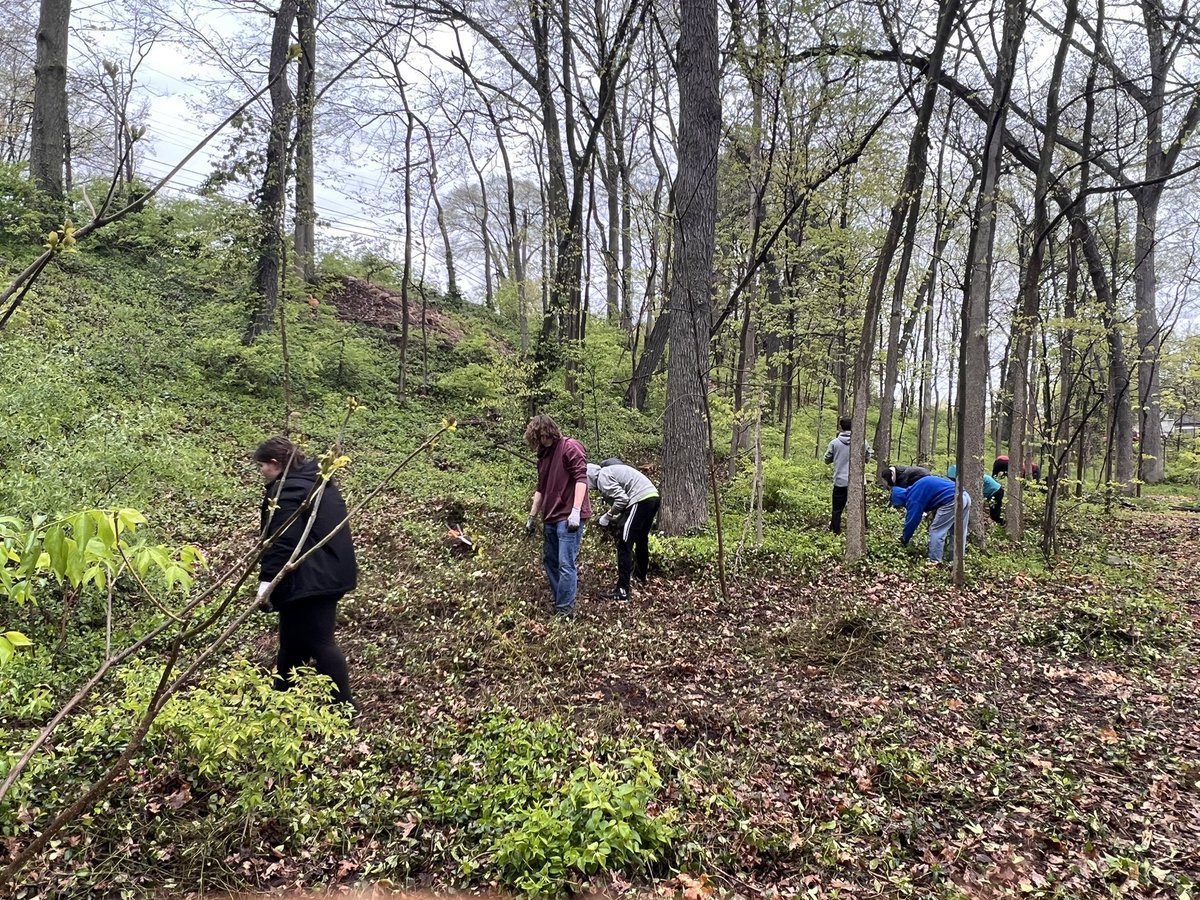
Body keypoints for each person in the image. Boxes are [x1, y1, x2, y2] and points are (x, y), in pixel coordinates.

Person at [254, 436, 357, 706]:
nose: (261, 471)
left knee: (321, 643)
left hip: (312, 578)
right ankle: (281, 699)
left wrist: (267, 582)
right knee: (292, 642)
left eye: (262, 465)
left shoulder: (289, 490)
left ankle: (345, 707)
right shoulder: (315, 481)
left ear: (275, 464)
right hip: (324, 571)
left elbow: (282, 540)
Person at [524, 415, 591, 617]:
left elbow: (581, 478)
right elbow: (541, 489)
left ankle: (565, 612)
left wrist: (576, 511)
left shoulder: (570, 447)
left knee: (565, 563)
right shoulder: (543, 457)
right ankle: (561, 600)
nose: (538, 443)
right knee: (550, 561)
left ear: (546, 433)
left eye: (540, 438)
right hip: (551, 517)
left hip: (569, 516)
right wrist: (532, 517)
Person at [588, 460, 660, 601]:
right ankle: (641, 576)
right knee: (641, 539)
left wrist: (607, 516)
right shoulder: (609, 472)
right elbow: (623, 503)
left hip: (641, 499)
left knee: (624, 543)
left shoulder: (602, 476)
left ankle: (622, 590)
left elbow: (622, 499)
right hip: (653, 496)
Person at [889, 474, 972, 563]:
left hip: (952, 499)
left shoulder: (913, 498)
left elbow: (912, 521)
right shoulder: (915, 488)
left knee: (937, 530)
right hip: (965, 496)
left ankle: (935, 562)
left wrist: (904, 539)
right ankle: (957, 563)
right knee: (958, 532)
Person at [824, 415, 870, 534]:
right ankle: (863, 530)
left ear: (841, 427)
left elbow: (827, 459)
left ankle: (835, 530)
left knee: (837, 509)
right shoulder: (862, 442)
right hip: (858, 481)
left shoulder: (834, 443)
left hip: (840, 481)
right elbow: (867, 458)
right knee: (860, 508)